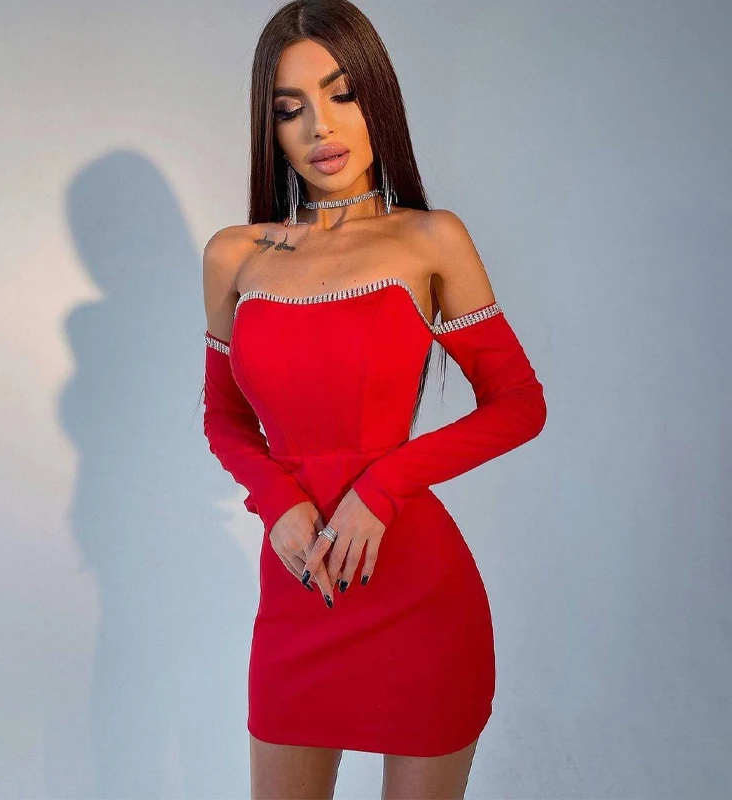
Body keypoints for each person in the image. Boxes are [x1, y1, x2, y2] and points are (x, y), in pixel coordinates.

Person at [201, 1, 547, 796]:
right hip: (298, 589)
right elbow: (224, 418)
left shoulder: (430, 239)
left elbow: (518, 403)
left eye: (342, 94)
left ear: (377, 97)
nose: (319, 126)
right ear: (270, 128)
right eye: (290, 108)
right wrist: (276, 501)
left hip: (418, 594)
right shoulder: (234, 255)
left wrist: (383, 488)